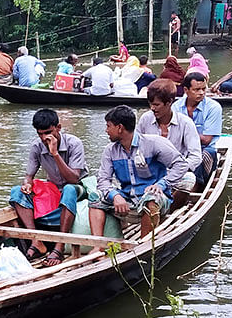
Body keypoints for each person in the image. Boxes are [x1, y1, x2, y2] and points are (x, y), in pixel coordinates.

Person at [89, 105, 189, 242]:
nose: (106, 130)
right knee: (95, 197)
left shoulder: (153, 143)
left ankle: (144, 244)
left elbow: (181, 164)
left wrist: (161, 184)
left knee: (151, 199)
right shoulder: (110, 150)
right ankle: (97, 245)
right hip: (128, 197)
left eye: (108, 126)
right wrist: (115, 195)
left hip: (155, 198)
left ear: (120, 128)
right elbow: (103, 179)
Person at [8, 108, 88, 266]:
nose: (44, 138)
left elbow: (73, 178)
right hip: (53, 189)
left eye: (48, 133)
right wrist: (27, 185)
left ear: (58, 128)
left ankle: (59, 245)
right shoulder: (37, 146)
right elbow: (29, 176)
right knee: (16, 192)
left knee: (69, 190)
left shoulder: (74, 143)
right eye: (40, 134)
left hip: (77, 188)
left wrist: (55, 154)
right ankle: (36, 240)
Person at [136, 79, 201, 207]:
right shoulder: (145, 119)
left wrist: (177, 170)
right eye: (151, 104)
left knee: (189, 180)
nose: (152, 108)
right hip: (150, 172)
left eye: (156, 104)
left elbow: (195, 156)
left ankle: (171, 208)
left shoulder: (185, 123)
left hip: (174, 173)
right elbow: (135, 147)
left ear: (169, 102)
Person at [173, 72, 222, 188]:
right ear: (186, 90)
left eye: (204, 89)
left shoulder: (213, 108)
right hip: (181, 148)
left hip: (203, 149)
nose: (201, 93)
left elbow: (206, 140)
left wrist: (185, 132)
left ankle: (195, 187)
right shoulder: (175, 107)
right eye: (196, 89)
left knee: (205, 155)